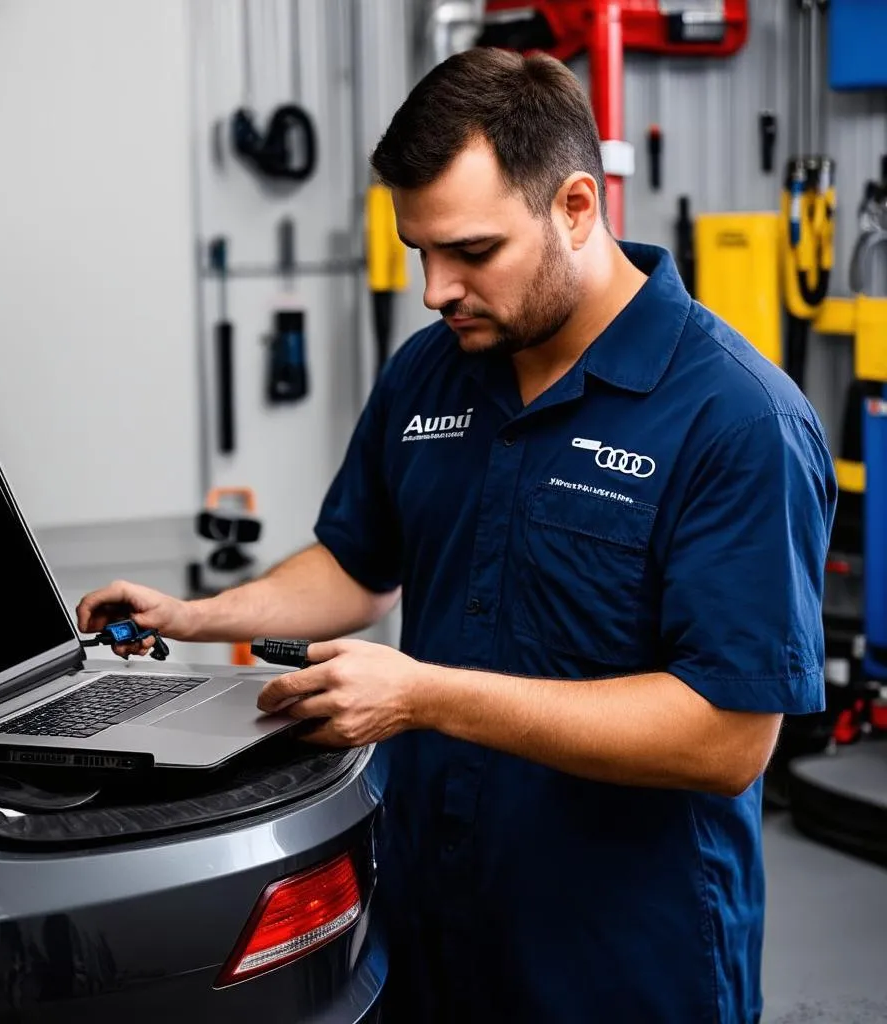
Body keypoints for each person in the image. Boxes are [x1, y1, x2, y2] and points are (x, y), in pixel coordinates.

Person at [77, 48, 837, 1024]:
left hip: (624, 962)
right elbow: (358, 566)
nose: (437, 290)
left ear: (574, 207)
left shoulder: (734, 418)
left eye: (472, 253)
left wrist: (426, 696)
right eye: (419, 253)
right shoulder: (429, 374)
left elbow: (725, 737)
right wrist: (194, 612)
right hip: (432, 933)